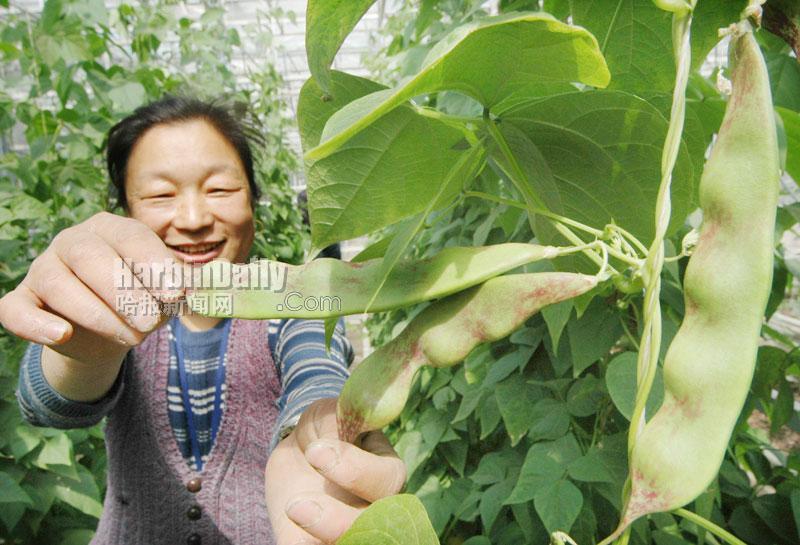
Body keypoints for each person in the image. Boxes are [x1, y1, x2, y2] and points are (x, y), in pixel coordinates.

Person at [0, 96, 406, 545]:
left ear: (254, 199)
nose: (194, 219)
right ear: (126, 212)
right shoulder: (120, 312)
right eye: (160, 195)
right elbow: (49, 403)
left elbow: (318, 371)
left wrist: (319, 440)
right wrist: (81, 345)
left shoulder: (291, 304)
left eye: (220, 189)